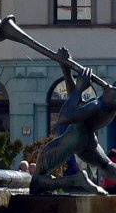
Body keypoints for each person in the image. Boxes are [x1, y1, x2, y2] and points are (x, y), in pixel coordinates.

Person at [31, 52, 116, 194]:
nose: (109, 86)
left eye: (114, 89)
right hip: (88, 139)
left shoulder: (96, 105)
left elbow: (64, 117)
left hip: (73, 138)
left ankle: (77, 179)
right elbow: (75, 101)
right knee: (107, 165)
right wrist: (66, 68)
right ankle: (78, 180)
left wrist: (79, 88)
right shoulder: (108, 109)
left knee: (36, 181)